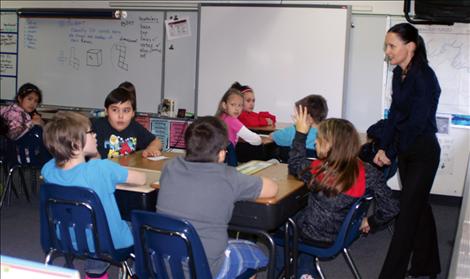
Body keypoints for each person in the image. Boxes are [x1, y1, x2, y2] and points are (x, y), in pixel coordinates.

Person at [156, 116, 279, 278]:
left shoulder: (170, 167)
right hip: (205, 269)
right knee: (255, 254)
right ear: (221, 154)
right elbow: (272, 189)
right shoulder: (228, 177)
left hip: (161, 262)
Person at [287, 107, 399, 276]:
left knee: (281, 222)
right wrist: (371, 221)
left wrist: (301, 133)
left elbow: (295, 164)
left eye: (318, 139)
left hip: (314, 235)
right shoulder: (369, 171)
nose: (315, 142)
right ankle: (305, 268)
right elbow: (391, 207)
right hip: (345, 232)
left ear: (330, 145)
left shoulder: (317, 169)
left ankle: (287, 270)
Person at [41, 111, 146, 279]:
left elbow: (62, 164)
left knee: (94, 224)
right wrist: (97, 159)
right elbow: (141, 179)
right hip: (109, 241)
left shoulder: (47, 170)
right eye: (91, 132)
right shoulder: (101, 169)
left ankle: (95, 272)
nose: (95, 135)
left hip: (67, 237)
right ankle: (133, 271)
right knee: (141, 228)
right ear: (76, 143)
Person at [374, 23, 442, 279]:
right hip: (406, 151)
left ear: (410, 46)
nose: (387, 51)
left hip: (423, 151)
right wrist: (384, 146)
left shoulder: (424, 77)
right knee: (419, 209)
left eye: (392, 45)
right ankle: (428, 266)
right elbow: (395, 116)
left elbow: (415, 123)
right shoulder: (398, 75)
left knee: (407, 217)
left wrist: (391, 151)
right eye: (387, 46)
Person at [92, 87, 162, 159]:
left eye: (126, 111)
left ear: (133, 113)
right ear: (106, 111)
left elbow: (156, 141)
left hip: (128, 169)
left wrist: (152, 148)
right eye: (115, 110)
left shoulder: (135, 127)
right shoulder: (95, 127)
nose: (120, 116)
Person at [269, 94, 328, 161]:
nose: (295, 117)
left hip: (295, 168)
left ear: (308, 117)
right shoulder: (330, 135)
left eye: (297, 115)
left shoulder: (293, 131)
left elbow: (272, 137)